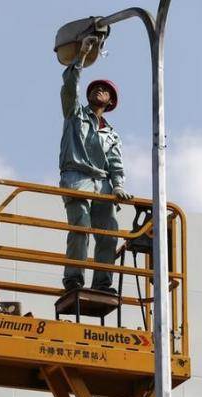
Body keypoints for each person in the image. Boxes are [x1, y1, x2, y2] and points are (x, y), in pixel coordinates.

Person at [59, 36, 133, 294]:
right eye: (95, 88)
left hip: (102, 183)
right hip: (76, 177)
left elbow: (116, 165)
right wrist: (81, 56)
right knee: (80, 225)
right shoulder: (75, 114)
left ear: (111, 101)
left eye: (105, 90)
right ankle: (74, 279)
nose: (99, 90)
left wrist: (119, 186)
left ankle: (103, 284)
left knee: (109, 231)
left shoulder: (112, 134)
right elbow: (69, 87)